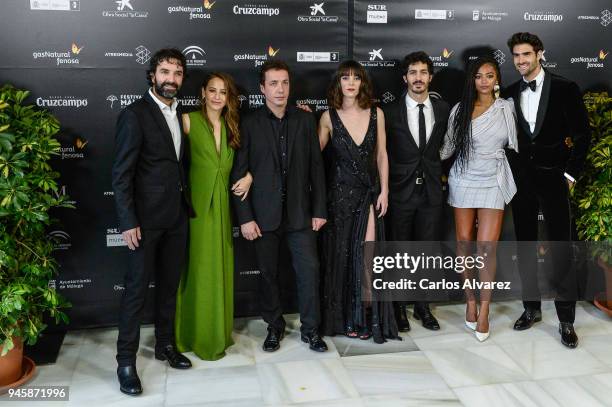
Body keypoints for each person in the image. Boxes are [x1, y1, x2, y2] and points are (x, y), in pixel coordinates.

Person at [230, 59, 329, 353]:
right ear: (262, 88)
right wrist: (245, 218)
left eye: (284, 83)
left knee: (309, 272)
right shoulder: (249, 123)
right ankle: (274, 327)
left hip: (301, 215)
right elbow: (239, 173)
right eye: (273, 83)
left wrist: (320, 210)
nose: (280, 89)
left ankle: (311, 330)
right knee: (268, 275)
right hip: (263, 216)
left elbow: (316, 169)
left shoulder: (304, 120)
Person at [112, 48, 193, 396]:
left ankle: (165, 345)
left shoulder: (180, 114)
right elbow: (121, 174)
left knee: (169, 288)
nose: (170, 79)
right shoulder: (135, 114)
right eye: (164, 72)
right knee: (135, 293)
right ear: (152, 75)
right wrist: (128, 221)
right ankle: (126, 362)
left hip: (176, 217)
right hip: (144, 223)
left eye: (176, 73)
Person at [503, 32, 590, 348]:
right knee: (524, 245)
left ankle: (566, 319)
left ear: (540, 54)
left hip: (555, 178)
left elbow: (582, 136)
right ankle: (531, 308)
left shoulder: (566, 88)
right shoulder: (509, 93)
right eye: (516, 56)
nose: (520, 61)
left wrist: (570, 174)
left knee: (560, 248)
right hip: (521, 181)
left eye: (526, 54)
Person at [318, 60, 399, 343]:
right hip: (339, 198)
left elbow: (381, 155)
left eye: (355, 78)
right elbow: (313, 157)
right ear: (338, 83)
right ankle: (346, 319)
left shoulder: (377, 113)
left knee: (367, 256)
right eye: (345, 78)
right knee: (341, 258)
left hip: (368, 194)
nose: (350, 83)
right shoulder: (328, 117)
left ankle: (365, 315)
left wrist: (385, 191)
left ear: (362, 82)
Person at [174, 73, 253, 360]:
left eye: (224, 92)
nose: (218, 96)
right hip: (194, 209)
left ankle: (217, 333)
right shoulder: (187, 121)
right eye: (213, 90)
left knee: (220, 270)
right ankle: (189, 336)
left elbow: (252, 160)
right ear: (203, 93)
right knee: (196, 271)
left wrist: (251, 176)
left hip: (223, 208)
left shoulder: (233, 126)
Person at [441, 56, 518, 342]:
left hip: (493, 179)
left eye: (490, 75)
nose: (484, 81)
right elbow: (447, 147)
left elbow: (516, 144)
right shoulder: (460, 109)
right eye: (479, 76)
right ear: (472, 80)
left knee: (486, 249)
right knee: (464, 243)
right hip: (462, 178)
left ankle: (485, 310)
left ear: (496, 78)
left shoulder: (505, 108)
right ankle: (470, 300)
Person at [384, 51, 450, 332]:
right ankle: (399, 307)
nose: (418, 78)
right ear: (405, 78)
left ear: (430, 77)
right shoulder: (388, 113)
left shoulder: (445, 109)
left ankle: (422, 307)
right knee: (399, 251)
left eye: (423, 72)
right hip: (400, 192)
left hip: (432, 193)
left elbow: (449, 147)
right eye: (413, 72)